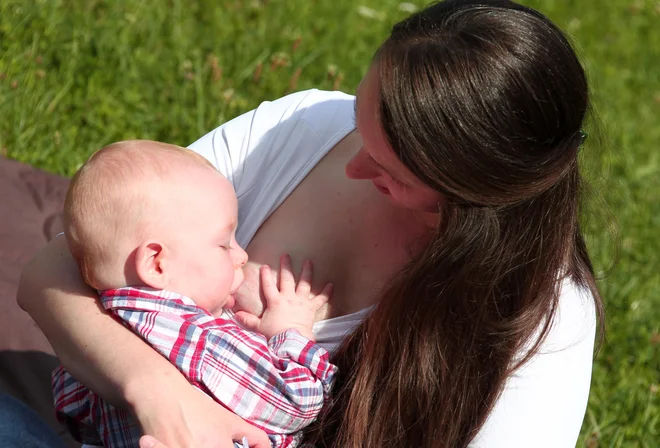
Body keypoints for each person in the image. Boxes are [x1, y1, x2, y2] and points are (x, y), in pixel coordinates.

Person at [16, 0, 603, 447]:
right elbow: (53, 270)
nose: (349, 162)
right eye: (359, 121)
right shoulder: (304, 127)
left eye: (385, 166)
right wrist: (157, 392)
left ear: (473, 192)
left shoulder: (543, 324)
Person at [52, 141, 336, 448]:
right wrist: (290, 332)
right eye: (225, 244)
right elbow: (297, 401)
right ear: (157, 264)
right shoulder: (198, 340)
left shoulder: (101, 328)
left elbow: (73, 411)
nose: (242, 255)